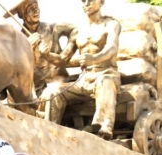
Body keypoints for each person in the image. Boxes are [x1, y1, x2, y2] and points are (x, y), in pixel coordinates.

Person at [35, 0, 121, 138]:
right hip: (84, 80)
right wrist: (47, 55)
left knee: (105, 82)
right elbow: (63, 59)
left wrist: (94, 58)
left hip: (106, 74)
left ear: (101, 2)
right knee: (54, 91)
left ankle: (102, 126)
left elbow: (112, 48)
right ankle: (49, 130)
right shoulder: (78, 31)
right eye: (83, 1)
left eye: (90, 0)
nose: (86, 4)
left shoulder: (111, 24)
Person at [2, 0, 75, 120]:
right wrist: (26, 48)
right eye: (31, 9)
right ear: (22, 15)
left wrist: (65, 55)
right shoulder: (18, 39)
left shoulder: (53, 29)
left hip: (56, 81)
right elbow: (14, 68)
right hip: (33, 87)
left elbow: (77, 31)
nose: (36, 11)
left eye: (37, 7)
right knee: (12, 97)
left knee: (50, 93)